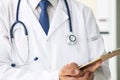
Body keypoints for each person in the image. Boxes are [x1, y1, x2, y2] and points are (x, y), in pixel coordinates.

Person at [0, 0, 111, 80]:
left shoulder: (83, 12)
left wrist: (91, 77)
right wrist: (56, 77)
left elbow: (102, 69)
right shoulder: (4, 11)